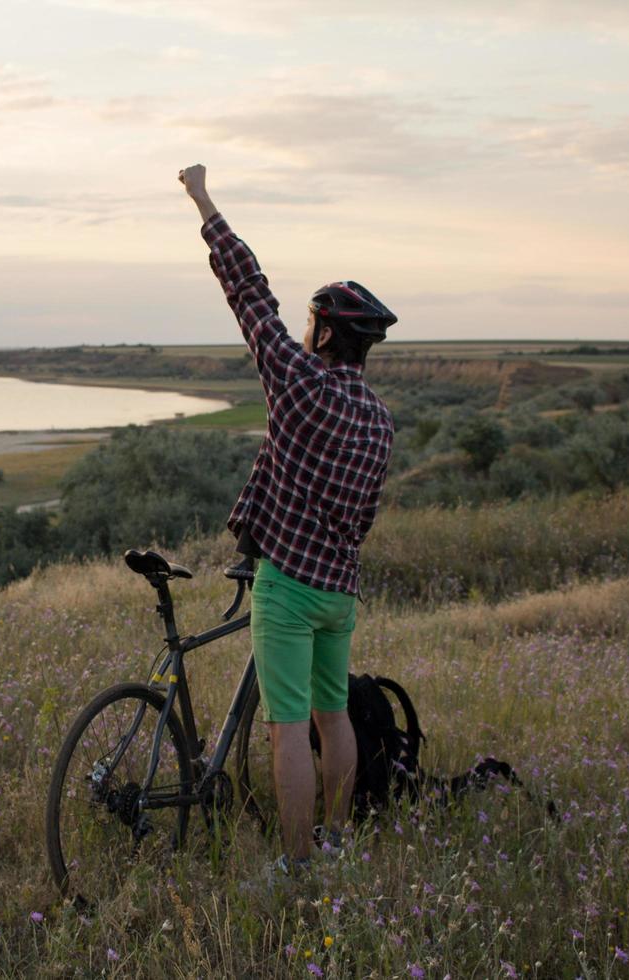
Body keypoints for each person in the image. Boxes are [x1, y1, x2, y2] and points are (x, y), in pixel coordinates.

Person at [178, 164, 396, 870]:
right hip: (340, 592)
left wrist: (205, 201)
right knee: (333, 720)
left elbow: (249, 293)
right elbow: (361, 516)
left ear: (328, 334)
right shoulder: (379, 419)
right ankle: (335, 844)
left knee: (286, 730)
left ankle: (295, 866)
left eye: (311, 323)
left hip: (290, 586)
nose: (302, 331)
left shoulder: (298, 383)